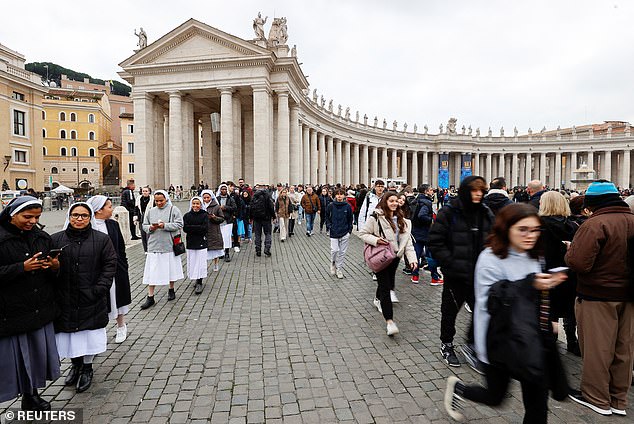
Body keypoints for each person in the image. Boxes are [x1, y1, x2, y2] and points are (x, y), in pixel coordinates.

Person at [444, 203, 568, 423]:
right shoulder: (490, 259)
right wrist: (532, 284)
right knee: (495, 397)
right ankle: (459, 389)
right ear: (506, 228)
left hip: (530, 338)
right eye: (523, 229)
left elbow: (534, 298)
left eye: (535, 230)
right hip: (498, 340)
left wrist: (549, 314)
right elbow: (490, 304)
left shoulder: (535, 256)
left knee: (538, 406)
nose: (530, 236)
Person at [565, 180, 634, 416]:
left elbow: (579, 263)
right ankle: (618, 400)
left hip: (598, 295)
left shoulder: (595, 224)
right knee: (624, 349)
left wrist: (569, 251)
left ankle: (596, 398)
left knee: (597, 348)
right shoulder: (632, 219)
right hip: (629, 295)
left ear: (593, 203)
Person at [0, 196, 60, 410]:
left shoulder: (41, 237)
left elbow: (55, 273)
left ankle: (31, 395)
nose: (32, 221)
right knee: (12, 361)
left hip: (37, 308)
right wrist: (20, 268)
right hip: (11, 311)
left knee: (34, 357)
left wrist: (53, 266)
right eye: (27, 217)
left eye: (37, 217)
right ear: (12, 214)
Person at [428, 176, 494, 371]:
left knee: (480, 312)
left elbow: (494, 239)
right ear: (466, 191)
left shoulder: (486, 212)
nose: (478, 194)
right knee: (450, 312)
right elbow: (435, 241)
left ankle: (472, 343)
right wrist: (450, 263)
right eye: (474, 190)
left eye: (481, 191)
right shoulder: (449, 212)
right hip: (455, 275)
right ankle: (447, 343)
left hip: (479, 275)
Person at [52, 202, 117, 393]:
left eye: (84, 216)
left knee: (88, 335)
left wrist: (99, 289)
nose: (79, 219)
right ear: (69, 217)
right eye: (75, 215)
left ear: (90, 218)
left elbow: (110, 265)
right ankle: (75, 365)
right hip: (66, 297)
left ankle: (87, 367)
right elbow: (49, 266)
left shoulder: (102, 239)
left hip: (91, 297)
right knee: (71, 335)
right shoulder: (56, 239)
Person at [359, 191, 417, 336]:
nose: (394, 203)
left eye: (396, 201)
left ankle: (377, 298)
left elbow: (407, 243)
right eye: (391, 200)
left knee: (387, 283)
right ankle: (389, 321)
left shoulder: (404, 220)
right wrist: (376, 240)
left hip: (395, 257)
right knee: (386, 288)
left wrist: (413, 259)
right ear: (385, 201)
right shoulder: (376, 217)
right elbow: (363, 233)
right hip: (381, 256)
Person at [538, 191, 580, 356]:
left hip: (547, 275)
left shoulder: (538, 226)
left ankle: (551, 342)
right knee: (570, 310)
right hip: (569, 275)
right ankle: (571, 340)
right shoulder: (573, 226)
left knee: (550, 311)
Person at [86, 195, 132, 344]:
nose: (111, 209)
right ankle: (100, 330)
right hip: (96, 270)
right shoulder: (88, 226)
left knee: (118, 296)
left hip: (115, 268)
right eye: (109, 206)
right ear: (99, 210)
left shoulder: (112, 224)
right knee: (101, 300)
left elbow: (120, 247)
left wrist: (123, 265)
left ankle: (121, 326)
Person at [140, 190, 184, 309]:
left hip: (169, 244)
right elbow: (144, 225)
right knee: (152, 271)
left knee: (170, 268)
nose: (159, 203)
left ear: (166, 199)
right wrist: (151, 227)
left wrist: (165, 225)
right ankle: (150, 296)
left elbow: (180, 224)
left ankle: (171, 289)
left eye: (161, 200)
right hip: (154, 245)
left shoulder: (173, 209)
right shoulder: (151, 211)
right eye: (156, 201)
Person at [410, 184, 443, 285]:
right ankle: (434, 277)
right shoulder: (426, 202)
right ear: (426, 191)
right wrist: (432, 220)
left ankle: (415, 275)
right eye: (430, 190)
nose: (432, 191)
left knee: (416, 254)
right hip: (426, 232)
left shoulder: (415, 200)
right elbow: (422, 215)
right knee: (430, 255)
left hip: (416, 231)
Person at [183, 197, 210, 295]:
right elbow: (185, 228)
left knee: (200, 262)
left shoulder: (204, 215)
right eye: (193, 203)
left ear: (201, 204)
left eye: (197, 203)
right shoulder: (187, 215)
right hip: (191, 241)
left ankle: (200, 281)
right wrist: (197, 228)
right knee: (193, 261)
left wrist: (192, 228)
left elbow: (205, 228)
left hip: (201, 241)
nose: (195, 206)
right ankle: (195, 278)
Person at [326, 188, 354, 279]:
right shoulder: (331, 205)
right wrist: (330, 226)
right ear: (334, 195)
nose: (339, 196)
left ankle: (339, 269)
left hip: (345, 232)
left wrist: (349, 230)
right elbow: (327, 217)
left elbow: (350, 219)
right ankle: (333, 262)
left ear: (344, 195)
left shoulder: (347, 206)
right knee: (334, 250)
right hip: (334, 232)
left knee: (342, 252)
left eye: (341, 194)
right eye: (337, 194)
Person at [201, 190, 226, 273]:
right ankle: (204, 266)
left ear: (211, 197)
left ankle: (216, 264)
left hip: (214, 230)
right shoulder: (200, 205)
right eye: (204, 198)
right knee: (204, 251)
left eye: (208, 197)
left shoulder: (216, 206)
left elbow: (222, 218)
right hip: (204, 230)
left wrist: (214, 217)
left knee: (215, 249)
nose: (206, 199)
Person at [250, 184, 275, 257]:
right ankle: (267, 248)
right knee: (268, 233)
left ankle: (258, 249)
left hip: (257, 218)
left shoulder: (254, 196)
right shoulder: (267, 196)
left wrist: (250, 217)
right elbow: (271, 207)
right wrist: (274, 216)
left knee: (257, 234)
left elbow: (251, 207)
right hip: (266, 218)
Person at [216, 183, 237, 262]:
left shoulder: (230, 199)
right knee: (220, 237)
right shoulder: (217, 199)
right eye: (222, 189)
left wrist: (225, 207)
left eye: (225, 189)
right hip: (218, 221)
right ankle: (221, 252)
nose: (223, 190)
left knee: (227, 237)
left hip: (228, 221)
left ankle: (227, 253)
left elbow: (234, 208)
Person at [134, 186, 152, 252]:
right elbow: (136, 208)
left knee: (149, 234)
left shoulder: (152, 199)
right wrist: (135, 216)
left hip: (150, 218)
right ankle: (146, 250)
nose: (144, 192)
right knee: (143, 234)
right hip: (141, 218)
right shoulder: (139, 198)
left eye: (146, 191)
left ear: (149, 192)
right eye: (143, 191)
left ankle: (150, 248)